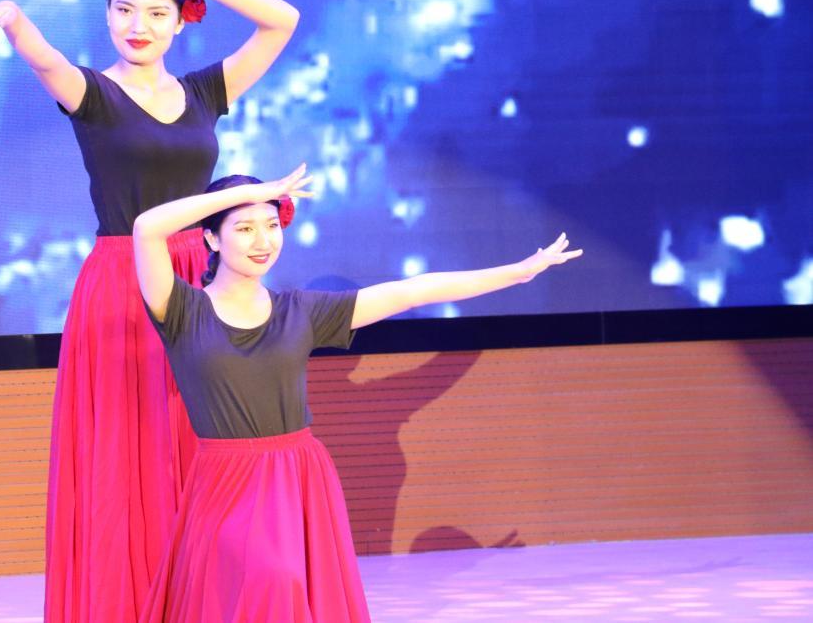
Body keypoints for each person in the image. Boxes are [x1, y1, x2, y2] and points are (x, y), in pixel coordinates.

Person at [0, 0, 299, 622]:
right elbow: (46, 60)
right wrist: (15, 22)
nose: (139, 25)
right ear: (107, 14)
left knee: (202, 440)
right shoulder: (92, 93)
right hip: (124, 284)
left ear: (180, 20)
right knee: (127, 451)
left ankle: (201, 601)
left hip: (200, 280)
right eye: (124, 10)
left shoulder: (204, 92)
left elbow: (281, 22)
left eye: (157, 12)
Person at [132, 164, 582, 621]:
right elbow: (147, 228)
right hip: (223, 480)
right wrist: (260, 191)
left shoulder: (300, 311)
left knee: (281, 581)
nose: (263, 240)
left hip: (294, 474)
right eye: (244, 228)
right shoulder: (181, 309)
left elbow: (411, 291)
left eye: (271, 224)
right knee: (249, 587)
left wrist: (515, 273)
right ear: (211, 238)